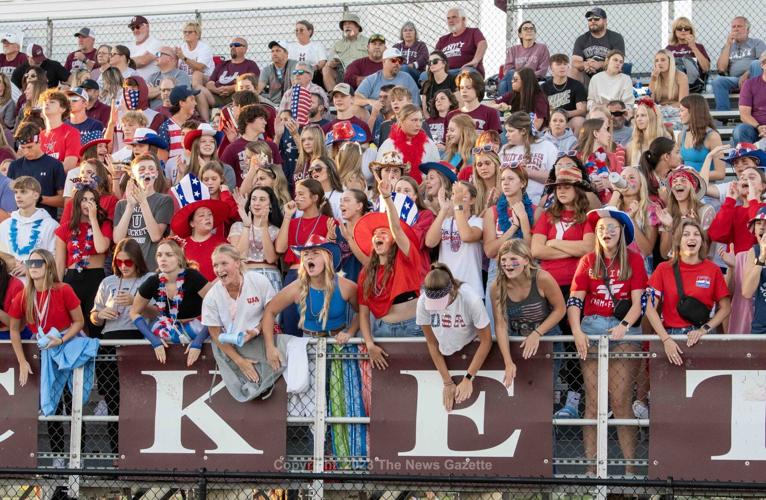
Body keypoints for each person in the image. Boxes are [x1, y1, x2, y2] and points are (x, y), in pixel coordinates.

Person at [568, 208, 646, 476]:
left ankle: (630, 471)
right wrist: (576, 331)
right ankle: (591, 471)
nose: (606, 232)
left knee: (621, 400)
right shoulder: (588, 261)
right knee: (593, 402)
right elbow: (575, 300)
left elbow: (639, 303)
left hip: (623, 330)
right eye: (601, 228)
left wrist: (624, 326)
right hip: (591, 327)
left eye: (612, 227)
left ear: (622, 231)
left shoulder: (634, 260)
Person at [8, 248, 86, 463]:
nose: (33, 267)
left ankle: (79, 455)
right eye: (30, 263)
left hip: (69, 350)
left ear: (49, 265)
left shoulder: (63, 289)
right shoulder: (24, 294)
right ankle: (58, 456)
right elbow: (14, 329)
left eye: (38, 263)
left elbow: (79, 321)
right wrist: (22, 361)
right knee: (52, 404)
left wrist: (61, 339)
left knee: (74, 403)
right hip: (45, 354)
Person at [89, 238, 152, 452]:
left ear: (137, 261)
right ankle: (117, 452)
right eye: (120, 262)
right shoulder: (108, 282)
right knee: (113, 400)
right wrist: (100, 315)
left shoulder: (149, 279)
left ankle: (138, 452)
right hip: (110, 338)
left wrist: (137, 302)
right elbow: (93, 317)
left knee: (139, 401)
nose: (124, 266)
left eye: (129, 262)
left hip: (137, 339)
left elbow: (159, 312)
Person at [355, 180, 425, 369]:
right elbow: (363, 312)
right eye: (376, 233)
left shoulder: (406, 256)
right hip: (382, 331)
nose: (379, 236)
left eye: (384, 233)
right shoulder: (366, 273)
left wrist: (386, 197)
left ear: (394, 239)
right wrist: (369, 344)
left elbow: (397, 228)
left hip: (413, 328)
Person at [203, 244, 286, 401]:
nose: (219, 269)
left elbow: (271, 312)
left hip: (264, 334)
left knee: (279, 361)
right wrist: (239, 361)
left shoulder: (258, 281)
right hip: (234, 344)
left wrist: (259, 334)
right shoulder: (211, 297)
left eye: (224, 263)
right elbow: (215, 334)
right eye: (215, 265)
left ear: (237, 263)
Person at [646, 219, 731, 365]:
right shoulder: (663, 269)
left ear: (702, 241)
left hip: (702, 337)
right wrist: (665, 339)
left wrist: (704, 330)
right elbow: (648, 305)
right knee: (671, 387)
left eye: (696, 234)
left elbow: (726, 308)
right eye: (686, 234)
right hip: (671, 337)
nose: (691, 238)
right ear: (678, 240)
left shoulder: (713, 269)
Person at [419, 263, 492, 410]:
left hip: (471, 343)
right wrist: (447, 381)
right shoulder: (422, 302)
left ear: (452, 290)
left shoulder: (471, 300)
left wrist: (468, 377)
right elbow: (432, 343)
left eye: (440, 302)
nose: (438, 308)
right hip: (445, 346)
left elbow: (486, 341)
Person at [130, 239, 212, 366]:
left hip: (198, 328)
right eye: (159, 255)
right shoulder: (153, 281)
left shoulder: (193, 277)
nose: (163, 259)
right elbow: (134, 312)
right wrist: (154, 340)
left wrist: (198, 341)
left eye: (169, 255)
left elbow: (217, 309)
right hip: (166, 327)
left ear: (179, 258)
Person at [531, 165, 594, 326]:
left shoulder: (588, 216)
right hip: (549, 284)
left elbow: (588, 248)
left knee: (573, 334)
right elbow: (536, 250)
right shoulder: (547, 215)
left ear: (578, 190)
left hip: (577, 285)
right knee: (553, 335)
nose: (561, 191)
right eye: (558, 188)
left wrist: (555, 243)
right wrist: (574, 250)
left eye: (567, 187)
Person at [493, 238, 565, 373]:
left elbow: (560, 309)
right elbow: (500, 325)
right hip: (518, 340)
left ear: (526, 260)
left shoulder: (542, 278)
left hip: (548, 338)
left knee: (545, 389)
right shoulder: (497, 287)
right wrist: (508, 362)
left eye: (513, 259)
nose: (508, 264)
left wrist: (536, 333)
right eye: (503, 260)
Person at [275, 178, 335, 336]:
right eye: (296, 194)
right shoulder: (293, 222)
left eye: (301, 194)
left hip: (317, 277)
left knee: (316, 324)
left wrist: (330, 239)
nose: (296, 198)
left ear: (314, 197)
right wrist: (287, 216)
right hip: (294, 275)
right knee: (291, 324)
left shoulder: (327, 222)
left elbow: (331, 256)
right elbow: (280, 248)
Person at [53, 185, 112, 337]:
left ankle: (101, 360)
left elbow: (101, 248)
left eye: (92, 200)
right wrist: (57, 289)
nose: (88, 203)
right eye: (84, 199)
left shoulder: (104, 224)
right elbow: (59, 263)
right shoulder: (64, 229)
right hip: (72, 279)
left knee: (96, 325)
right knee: (72, 325)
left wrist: (93, 219)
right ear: (78, 202)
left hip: (96, 279)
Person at [113, 154, 172, 270]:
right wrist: (130, 205)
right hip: (128, 269)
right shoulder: (121, 205)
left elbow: (155, 236)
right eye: (142, 169)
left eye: (151, 169)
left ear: (156, 174)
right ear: (134, 176)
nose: (147, 172)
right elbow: (117, 239)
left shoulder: (164, 200)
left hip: (151, 269)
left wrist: (143, 202)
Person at [425, 181, 483, 295]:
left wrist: (458, 205)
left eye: (462, 195)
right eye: (454, 195)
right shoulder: (445, 222)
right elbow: (430, 242)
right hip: (445, 288)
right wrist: (444, 210)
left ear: (472, 200)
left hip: (471, 289)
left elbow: (466, 236)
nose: (457, 198)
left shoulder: (478, 221)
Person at [169, 175, 229, 281]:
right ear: (192, 223)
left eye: (209, 214)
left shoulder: (222, 243)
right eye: (201, 215)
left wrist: (210, 289)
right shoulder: (182, 247)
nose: (207, 218)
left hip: (216, 293)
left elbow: (228, 271)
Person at [0, 177, 59, 278]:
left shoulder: (50, 225)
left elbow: (55, 259)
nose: (18, 196)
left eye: (23, 192)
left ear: (36, 195)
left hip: (38, 286)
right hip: (8, 286)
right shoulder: (5, 225)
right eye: (16, 192)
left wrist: (29, 267)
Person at [229, 186, 283, 292]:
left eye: (262, 199)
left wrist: (263, 227)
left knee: (272, 308)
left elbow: (271, 259)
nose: (257, 203)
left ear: (271, 204)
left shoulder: (276, 230)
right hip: (245, 275)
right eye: (253, 199)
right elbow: (239, 255)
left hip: (270, 276)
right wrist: (246, 226)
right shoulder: (238, 226)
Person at [8, 123, 66, 218]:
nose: (26, 152)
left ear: (40, 141)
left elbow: (63, 201)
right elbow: (8, 198)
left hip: (45, 223)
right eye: (23, 148)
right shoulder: (14, 166)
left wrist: (38, 198)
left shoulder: (55, 165)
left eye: (30, 147)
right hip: (19, 222)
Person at [607, 166, 660, 269]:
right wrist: (617, 191)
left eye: (631, 177)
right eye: (623, 177)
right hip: (614, 268)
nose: (626, 180)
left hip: (639, 269)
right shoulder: (613, 207)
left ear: (641, 184)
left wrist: (630, 220)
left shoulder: (650, 210)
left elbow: (647, 250)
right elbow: (606, 219)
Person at [499, 111, 558, 203]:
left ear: (523, 131)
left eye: (510, 131)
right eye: (506, 131)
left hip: (537, 203)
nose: (506, 135)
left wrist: (526, 171)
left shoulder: (547, 146)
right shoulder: (505, 149)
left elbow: (557, 177)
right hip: (507, 204)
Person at [657, 166, 713, 257]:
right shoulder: (666, 213)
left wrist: (694, 225)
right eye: (674, 181)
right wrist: (669, 228)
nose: (678, 183)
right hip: (674, 267)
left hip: (697, 268)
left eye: (683, 180)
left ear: (693, 187)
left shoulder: (705, 211)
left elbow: (705, 252)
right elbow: (664, 254)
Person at [712, 16, 766, 111]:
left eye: (739, 26)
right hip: (737, 80)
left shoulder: (756, 43)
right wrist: (728, 44)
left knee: (756, 63)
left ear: (747, 30)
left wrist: (747, 73)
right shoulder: (727, 47)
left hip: (754, 77)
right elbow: (721, 68)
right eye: (733, 27)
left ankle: (758, 107)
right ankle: (723, 114)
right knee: (718, 81)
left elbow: (763, 62)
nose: (736, 29)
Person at [377, 104, 439, 184]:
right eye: (414, 120)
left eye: (420, 120)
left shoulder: (429, 144)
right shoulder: (388, 144)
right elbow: (379, 172)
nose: (418, 124)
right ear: (402, 121)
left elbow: (436, 172)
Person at [221, 104, 282, 184]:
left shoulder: (271, 146)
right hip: (243, 195)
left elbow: (280, 176)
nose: (265, 122)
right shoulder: (231, 149)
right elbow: (224, 176)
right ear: (247, 120)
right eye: (261, 118)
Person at [570, 7, 625, 83]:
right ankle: (580, 95)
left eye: (596, 19)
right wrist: (586, 64)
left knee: (615, 68)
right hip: (588, 78)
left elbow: (618, 61)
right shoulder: (581, 39)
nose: (592, 21)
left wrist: (599, 64)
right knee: (573, 71)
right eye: (590, 19)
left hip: (608, 77)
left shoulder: (616, 37)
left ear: (605, 21)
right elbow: (575, 62)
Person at [678, 94, 725, 179]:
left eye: (682, 110)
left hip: (705, 187)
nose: (679, 114)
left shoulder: (712, 136)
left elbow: (720, 173)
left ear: (693, 112)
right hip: (686, 186)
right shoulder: (681, 135)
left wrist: (693, 175)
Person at [354, 48, 421, 108]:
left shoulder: (407, 78)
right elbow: (356, 99)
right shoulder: (372, 79)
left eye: (400, 61)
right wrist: (370, 102)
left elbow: (415, 104)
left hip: (400, 117)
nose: (397, 63)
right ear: (383, 62)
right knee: (356, 109)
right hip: (377, 116)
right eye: (393, 60)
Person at [498, 20, 550, 95]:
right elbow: (507, 69)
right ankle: (513, 101)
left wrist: (524, 77)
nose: (529, 30)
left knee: (504, 84)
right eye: (525, 29)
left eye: (531, 29)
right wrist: (518, 78)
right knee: (505, 82)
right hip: (514, 78)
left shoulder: (542, 48)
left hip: (532, 79)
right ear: (520, 35)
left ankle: (511, 102)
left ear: (535, 33)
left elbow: (542, 70)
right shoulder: (513, 49)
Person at [206, 38, 260, 107]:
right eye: (231, 45)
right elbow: (210, 83)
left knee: (244, 91)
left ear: (245, 49)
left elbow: (253, 85)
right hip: (216, 96)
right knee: (200, 91)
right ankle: (205, 118)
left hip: (236, 97)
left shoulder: (250, 64)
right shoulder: (222, 64)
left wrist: (232, 88)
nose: (233, 47)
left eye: (236, 45)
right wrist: (216, 90)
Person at [542, 54, 587, 134]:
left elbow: (582, 110)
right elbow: (539, 110)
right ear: (551, 68)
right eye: (558, 64)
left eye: (565, 64)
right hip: (550, 122)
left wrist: (565, 113)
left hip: (568, 122)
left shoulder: (577, 85)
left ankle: (574, 145)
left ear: (568, 67)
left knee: (579, 121)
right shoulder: (544, 87)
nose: (562, 67)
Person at [435, 7, 487, 76]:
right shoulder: (443, 39)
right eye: (448, 18)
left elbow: (482, 43)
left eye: (454, 17)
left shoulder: (473, 32)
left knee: (467, 72)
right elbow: (435, 56)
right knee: (424, 75)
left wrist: (475, 60)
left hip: (465, 70)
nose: (450, 21)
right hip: (445, 73)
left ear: (463, 19)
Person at [446, 71, 501, 136]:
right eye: (461, 88)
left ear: (478, 88)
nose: (464, 91)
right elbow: (447, 142)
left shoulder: (491, 113)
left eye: (468, 87)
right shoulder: (451, 115)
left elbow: (494, 141)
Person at [323, 12, 369, 90]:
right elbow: (329, 61)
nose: (346, 26)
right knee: (326, 68)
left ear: (358, 27)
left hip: (361, 73)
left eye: (350, 23)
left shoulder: (368, 42)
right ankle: (332, 95)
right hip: (342, 73)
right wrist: (331, 63)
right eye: (344, 24)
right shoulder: (337, 44)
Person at [39, 89, 81, 171]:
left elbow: (68, 167)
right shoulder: (39, 136)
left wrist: (43, 167)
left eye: (52, 102)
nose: (47, 104)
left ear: (63, 109)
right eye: (45, 102)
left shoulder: (72, 133)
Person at [666, 17, 710, 94]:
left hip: (693, 83)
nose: (683, 30)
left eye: (686, 28)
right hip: (675, 82)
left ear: (691, 31)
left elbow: (706, 68)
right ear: (675, 31)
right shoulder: (669, 48)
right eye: (679, 28)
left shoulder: (698, 47)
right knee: (675, 62)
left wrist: (693, 47)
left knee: (686, 59)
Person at [649, 49, 689, 129]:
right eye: (656, 61)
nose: (659, 63)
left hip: (676, 111)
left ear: (670, 62)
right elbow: (649, 100)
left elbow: (682, 102)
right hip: (660, 112)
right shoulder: (655, 78)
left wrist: (665, 108)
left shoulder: (681, 76)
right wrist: (653, 80)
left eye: (663, 60)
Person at [733, 53, 766, 145]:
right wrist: (759, 127)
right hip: (756, 128)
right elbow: (744, 115)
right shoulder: (749, 84)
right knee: (740, 130)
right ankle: (748, 158)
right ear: (762, 65)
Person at [626, 97, 669, 165]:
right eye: (637, 116)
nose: (639, 119)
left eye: (643, 115)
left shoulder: (665, 143)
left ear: (652, 117)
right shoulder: (631, 146)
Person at [258, 41, 298, 108]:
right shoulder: (267, 69)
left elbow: (296, 86)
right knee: (257, 97)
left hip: (291, 102)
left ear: (286, 54)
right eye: (272, 51)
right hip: (273, 104)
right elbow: (259, 88)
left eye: (278, 51)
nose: (274, 53)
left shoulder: (295, 65)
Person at [421, 51, 456, 119]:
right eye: (429, 62)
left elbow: (460, 105)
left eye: (435, 61)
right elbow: (425, 111)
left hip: (451, 121)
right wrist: (432, 122)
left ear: (444, 63)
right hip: (433, 122)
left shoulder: (453, 80)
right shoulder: (427, 84)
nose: (431, 64)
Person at [125, 16, 162, 81]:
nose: (135, 30)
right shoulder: (129, 45)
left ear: (147, 27)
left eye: (138, 27)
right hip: (131, 85)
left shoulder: (155, 43)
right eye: (133, 28)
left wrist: (124, 61)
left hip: (149, 86)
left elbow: (142, 61)